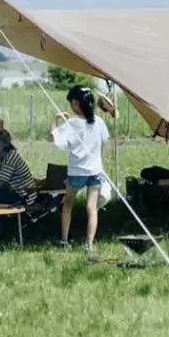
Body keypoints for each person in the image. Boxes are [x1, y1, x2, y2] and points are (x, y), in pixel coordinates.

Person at [49, 84, 110, 252]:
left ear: (75, 104)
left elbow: (53, 139)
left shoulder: (71, 125)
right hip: (95, 171)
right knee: (92, 208)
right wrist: (101, 166)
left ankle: (64, 241)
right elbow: (103, 144)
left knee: (67, 205)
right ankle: (89, 244)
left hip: (77, 172)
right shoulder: (99, 122)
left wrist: (56, 120)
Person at [0, 128, 38, 207]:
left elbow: (0, 183)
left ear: (1, 144)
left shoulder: (11, 157)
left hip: (23, 195)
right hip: (12, 191)